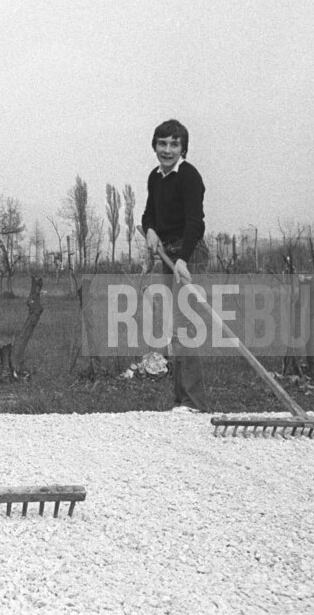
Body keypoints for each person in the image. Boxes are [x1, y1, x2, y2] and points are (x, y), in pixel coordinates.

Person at [140, 119, 210, 414]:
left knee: (187, 327)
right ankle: (181, 401)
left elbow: (196, 222)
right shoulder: (155, 178)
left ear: (183, 148)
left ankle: (194, 402)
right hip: (167, 255)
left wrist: (183, 258)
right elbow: (148, 215)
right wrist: (151, 230)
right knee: (174, 327)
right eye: (162, 143)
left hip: (188, 254)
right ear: (155, 145)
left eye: (174, 144)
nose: (167, 150)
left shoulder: (189, 177)